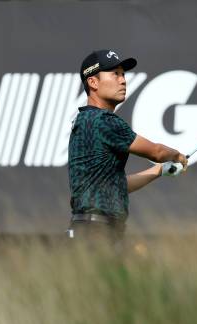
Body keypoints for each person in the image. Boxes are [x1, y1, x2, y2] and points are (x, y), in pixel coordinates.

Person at [67, 49, 187, 245]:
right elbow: (156, 152)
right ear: (93, 82)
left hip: (89, 231)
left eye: (123, 74)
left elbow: (116, 186)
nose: (123, 80)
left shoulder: (85, 119)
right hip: (97, 233)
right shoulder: (103, 120)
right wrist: (176, 155)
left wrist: (158, 171)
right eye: (115, 74)